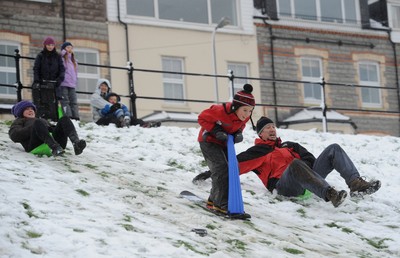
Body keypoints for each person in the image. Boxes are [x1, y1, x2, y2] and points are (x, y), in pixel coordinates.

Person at [193, 117, 381, 208]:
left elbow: (311, 160)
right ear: (260, 134)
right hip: (285, 187)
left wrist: (308, 169)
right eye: (267, 128)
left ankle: (356, 184)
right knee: (295, 165)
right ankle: (330, 194)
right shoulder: (258, 152)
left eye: (273, 126)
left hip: (308, 180)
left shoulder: (290, 145)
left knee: (333, 148)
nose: (272, 129)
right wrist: (210, 173)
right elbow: (232, 167)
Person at [198, 84, 256, 218]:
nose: (247, 114)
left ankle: (213, 200)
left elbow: (239, 126)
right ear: (236, 106)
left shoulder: (245, 116)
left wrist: (238, 133)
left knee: (229, 169)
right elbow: (202, 118)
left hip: (224, 143)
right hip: (209, 142)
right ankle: (222, 205)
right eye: (245, 110)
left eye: (250, 111)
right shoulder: (219, 110)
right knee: (221, 169)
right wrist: (216, 130)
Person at [9, 100, 86, 157]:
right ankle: (55, 148)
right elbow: (14, 135)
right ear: (20, 112)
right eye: (26, 109)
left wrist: (55, 128)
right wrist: (33, 127)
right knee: (38, 123)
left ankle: (76, 144)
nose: (30, 110)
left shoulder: (40, 120)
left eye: (32, 109)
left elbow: (51, 130)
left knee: (64, 119)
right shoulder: (20, 121)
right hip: (35, 146)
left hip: (54, 143)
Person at [90, 78, 161, 128]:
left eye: (105, 86)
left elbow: (116, 106)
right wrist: (117, 106)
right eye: (102, 85)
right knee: (113, 118)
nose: (104, 87)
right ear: (98, 86)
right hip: (100, 119)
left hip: (111, 115)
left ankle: (144, 124)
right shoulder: (95, 97)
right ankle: (122, 124)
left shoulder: (108, 97)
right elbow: (105, 107)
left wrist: (124, 111)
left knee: (130, 117)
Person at [33, 36, 65, 100]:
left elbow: (62, 69)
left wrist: (59, 80)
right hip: (43, 84)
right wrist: (37, 80)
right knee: (44, 104)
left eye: (52, 45)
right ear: (45, 45)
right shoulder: (40, 56)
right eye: (48, 45)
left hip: (55, 85)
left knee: (54, 105)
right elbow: (36, 69)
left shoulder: (58, 56)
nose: (50, 47)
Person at [60, 41, 80, 120]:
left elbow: (76, 72)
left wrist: (75, 81)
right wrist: (65, 53)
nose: (70, 49)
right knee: (65, 101)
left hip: (72, 84)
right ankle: (68, 116)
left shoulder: (74, 61)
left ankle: (75, 116)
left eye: (71, 48)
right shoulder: (62, 59)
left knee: (73, 101)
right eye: (68, 47)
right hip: (64, 83)